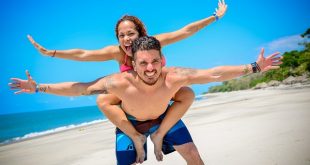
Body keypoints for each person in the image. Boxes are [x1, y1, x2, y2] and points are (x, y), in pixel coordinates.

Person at [10, 36, 282, 164]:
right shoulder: (118, 83)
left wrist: (254, 68)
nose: (150, 68)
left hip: (164, 119)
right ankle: (141, 140)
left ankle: (159, 135)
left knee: (194, 156)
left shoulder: (173, 76)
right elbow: (79, 88)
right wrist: (39, 88)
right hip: (132, 124)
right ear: (134, 64)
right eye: (143, 63)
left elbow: (213, 73)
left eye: (155, 61)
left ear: (161, 60)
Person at [26, 1, 228, 162]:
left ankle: (160, 134)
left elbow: (184, 32)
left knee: (190, 128)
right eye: (121, 35)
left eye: (131, 33)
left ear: (141, 33)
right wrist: (50, 54)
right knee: (103, 99)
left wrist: (214, 17)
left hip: (159, 104)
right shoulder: (117, 52)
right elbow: (83, 54)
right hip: (132, 110)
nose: (126, 39)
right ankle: (136, 137)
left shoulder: (152, 43)